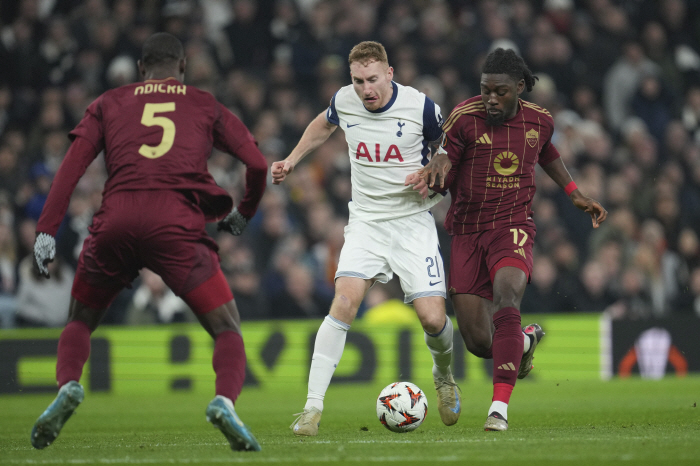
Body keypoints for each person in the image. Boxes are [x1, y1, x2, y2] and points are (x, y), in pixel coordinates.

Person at [29, 33, 267, 452]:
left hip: (116, 219)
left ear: (140, 70)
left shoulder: (108, 102)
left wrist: (46, 229)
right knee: (227, 328)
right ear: (183, 68)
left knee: (80, 319)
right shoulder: (203, 102)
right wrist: (242, 215)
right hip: (175, 224)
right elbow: (257, 163)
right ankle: (225, 402)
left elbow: (70, 170)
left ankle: (67, 385)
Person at [271, 41, 461, 436]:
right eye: (358, 81)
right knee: (343, 302)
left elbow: (450, 150)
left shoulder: (421, 107)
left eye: (372, 79)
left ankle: (443, 376)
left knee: (432, 318)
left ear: (389, 74)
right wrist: (291, 159)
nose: (365, 89)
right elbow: (323, 124)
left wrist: (433, 177)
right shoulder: (345, 101)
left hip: (412, 222)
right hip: (367, 223)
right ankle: (311, 409)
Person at [414, 48, 607, 431]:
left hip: (513, 225)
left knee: (507, 296)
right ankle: (523, 342)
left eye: (499, 91)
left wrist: (573, 192)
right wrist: (439, 160)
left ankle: (498, 408)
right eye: (485, 90)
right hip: (467, 232)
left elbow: (545, 150)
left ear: (519, 88)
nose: (490, 98)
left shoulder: (540, 120)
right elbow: (447, 152)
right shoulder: (465, 118)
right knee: (478, 342)